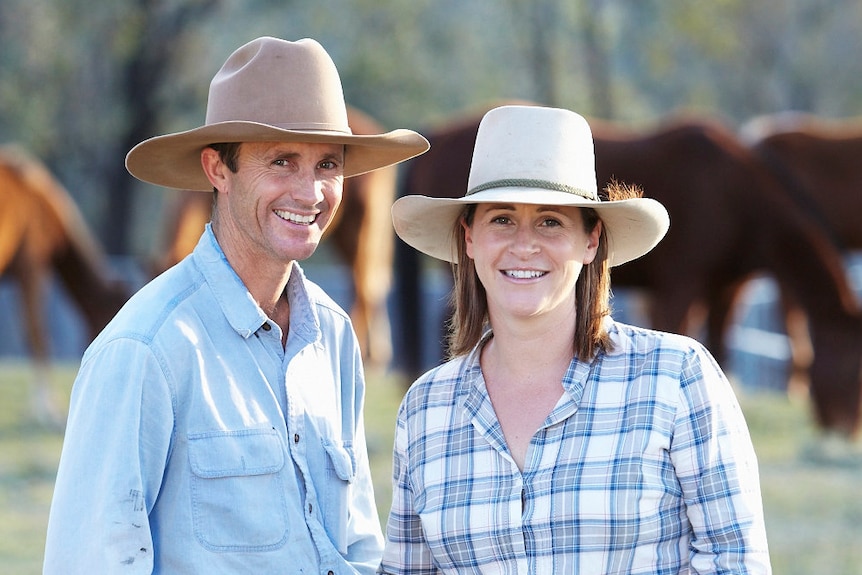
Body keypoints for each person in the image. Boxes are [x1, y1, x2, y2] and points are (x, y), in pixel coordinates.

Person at [43, 36, 428, 574]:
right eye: (282, 162)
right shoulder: (145, 349)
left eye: (327, 165)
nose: (311, 192)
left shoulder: (334, 337)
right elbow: (91, 562)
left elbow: (357, 548)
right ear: (217, 170)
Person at [378, 105, 772, 574]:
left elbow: (735, 563)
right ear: (468, 239)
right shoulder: (426, 408)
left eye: (551, 221)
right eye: (501, 219)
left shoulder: (677, 378)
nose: (524, 245)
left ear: (591, 241)